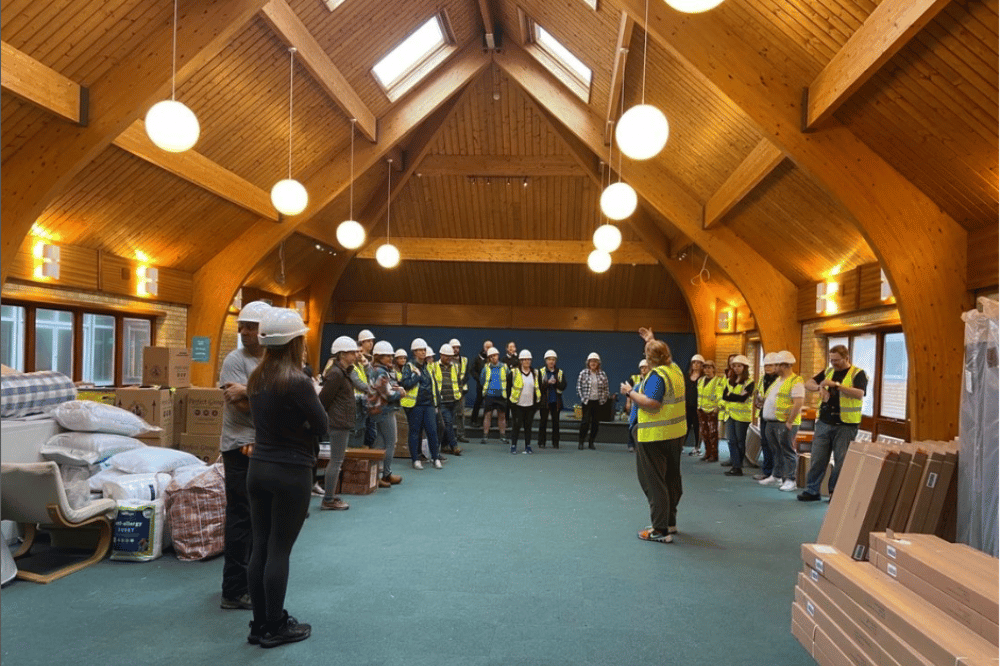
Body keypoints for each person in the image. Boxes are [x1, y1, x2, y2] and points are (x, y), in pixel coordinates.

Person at [245, 308, 328, 648]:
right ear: (295, 342)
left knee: (260, 546)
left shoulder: (257, 378)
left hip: (258, 468)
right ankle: (276, 626)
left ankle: (259, 623)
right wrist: (304, 426)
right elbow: (322, 426)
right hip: (290, 472)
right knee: (280, 549)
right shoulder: (297, 381)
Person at [218, 300, 271, 612]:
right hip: (240, 447)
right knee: (241, 517)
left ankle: (249, 581)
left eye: (251, 326)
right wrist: (268, 401)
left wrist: (250, 392)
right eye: (242, 326)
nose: (244, 332)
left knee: (259, 519)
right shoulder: (234, 361)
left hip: (262, 446)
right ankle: (233, 590)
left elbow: (283, 402)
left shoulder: (271, 362)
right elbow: (239, 407)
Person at [624, 333, 686, 543]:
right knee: (671, 478)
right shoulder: (674, 370)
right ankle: (670, 522)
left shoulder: (657, 376)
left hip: (654, 437)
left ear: (650, 359)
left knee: (654, 482)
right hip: (675, 435)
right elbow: (661, 354)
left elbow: (652, 403)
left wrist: (630, 392)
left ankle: (659, 530)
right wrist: (651, 340)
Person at [798, 345, 868, 501]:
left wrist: (836, 385)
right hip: (824, 422)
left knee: (841, 460)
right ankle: (812, 490)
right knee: (817, 458)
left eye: (837, 360)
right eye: (831, 360)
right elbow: (807, 383)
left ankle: (835, 493)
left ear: (846, 358)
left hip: (845, 425)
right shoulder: (828, 371)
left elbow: (859, 393)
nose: (833, 363)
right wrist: (819, 388)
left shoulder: (858, 373)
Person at [317, 336, 360, 512]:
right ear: (342, 354)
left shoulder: (342, 372)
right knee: (336, 461)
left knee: (337, 460)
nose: (355, 355)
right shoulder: (335, 374)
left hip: (341, 421)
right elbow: (323, 400)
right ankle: (328, 499)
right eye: (352, 352)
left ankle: (330, 495)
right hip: (338, 422)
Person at [758, 351, 804, 492]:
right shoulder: (778, 381)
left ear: (784, 365)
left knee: (787, 451)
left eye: (777, 365)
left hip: (784, 422)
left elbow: (798, 403)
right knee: (776, 450)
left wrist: (789, 421)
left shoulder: (796, 381)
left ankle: (790, 479)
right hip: (771, 421)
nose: (774, 367)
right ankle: (776, 475)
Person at [399, 338, 443, 470]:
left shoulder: (429, 367)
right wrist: (416, 376)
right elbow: (405, 384)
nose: (423, 352)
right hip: (415, 405)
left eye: (424, 350)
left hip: (429, 404)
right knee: (415, 432)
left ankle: (435, 458)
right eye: (420, 350)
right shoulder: (409, 367)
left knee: (432, 431)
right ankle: (416, 459)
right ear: (414, 352)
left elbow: (433, 386)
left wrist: (436, 404)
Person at [721, 354, 754, 476]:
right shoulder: (730, 380)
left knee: (740, 441)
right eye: (734, 366)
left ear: (744, 367)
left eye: (739, 366)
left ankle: (738, 465)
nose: (736, 368)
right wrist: (734, 397)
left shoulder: (750, 382)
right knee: (731, 441)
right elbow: (724, 396)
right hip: (730, 415)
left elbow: (743, 399)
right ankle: (736, 466)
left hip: (742, 417)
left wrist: (732, 397)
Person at [751, 353, 780, 481]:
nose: (767, 368)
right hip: (764, 414)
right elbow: (758, 393)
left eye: (771, 365)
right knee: (765, 443)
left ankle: (777, 473)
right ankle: (767, 471)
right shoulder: (763, 379)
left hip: (777, 416)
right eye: (766, 365)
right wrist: (757, 401)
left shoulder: (781, 380)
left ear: (777, 366)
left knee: (776, 444)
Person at [433, 343, 464, 456]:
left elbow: (459, 383)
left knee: (448, 423)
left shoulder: (455, 366)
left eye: (450, 356)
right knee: (448, 423)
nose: (449, 358)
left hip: (453, 400)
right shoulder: (434, 366)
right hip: (442, 401)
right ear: (441, 355)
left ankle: (445, 446)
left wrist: (459, 395)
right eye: (446, 356)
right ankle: (454, 446)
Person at [577, 352, 610, 450]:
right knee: (585, 422)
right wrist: (583, 398)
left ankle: (591, 442)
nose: (593, 363)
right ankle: (581, 442)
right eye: (591, 361)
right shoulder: (583, 373)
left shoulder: (602, 374)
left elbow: (606, 388)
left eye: (595, 361)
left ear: (598, 363)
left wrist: (603, 400)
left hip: (597, 402)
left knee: (595, 423)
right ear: (588, 363)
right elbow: (578, 387)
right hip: (587, 402)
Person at [509, 349, 540, 454]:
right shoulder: (514, 373)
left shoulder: (535, 373)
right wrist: (512, 404)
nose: (527, 362)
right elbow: (509, 388)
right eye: (524, 360)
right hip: (518, 405)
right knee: (516, 426)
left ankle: (528, 446)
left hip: (530, 406)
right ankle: (513, 446)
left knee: (528, 427)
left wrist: (536, 405)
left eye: (528, 360)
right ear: (521, 361)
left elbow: (537, 388)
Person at [480, 347, 510, 444]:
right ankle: (485, 436)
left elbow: (509, 379)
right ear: (489, 358)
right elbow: (482, 380)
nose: (494, 358)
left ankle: (503, 436)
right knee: (487, 415)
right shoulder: (486, 368)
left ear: (498, 355)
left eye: (495, 355)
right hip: (489, 395)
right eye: (491, 356)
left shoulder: (505, 367)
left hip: (501, 395)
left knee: (502, 416)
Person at [536, 350, 566, 449]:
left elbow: (563, 386)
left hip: (555, 401)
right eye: (549, 359)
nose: (551, 362)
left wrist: (556, 382)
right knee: (543, 422)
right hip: (545, 401)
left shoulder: (560, 372)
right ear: (546, 361)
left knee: (556, 423)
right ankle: (541, 442)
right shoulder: (541, 371)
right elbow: (538, 386)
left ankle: (555, 442)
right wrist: (547, 383)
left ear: (555, 361)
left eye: (553, 360)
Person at [696, 360, 724, 462]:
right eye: (705, 367)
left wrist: (717, 408)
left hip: (712, 410)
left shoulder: (718, 381)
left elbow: (720, 395)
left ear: (713, 368)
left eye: (709, 367)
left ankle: (714, 455)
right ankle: (707, 453)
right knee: (704, 433)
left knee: (713, 433)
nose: (707, 370)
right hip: (701, 409)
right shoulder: (700, 380)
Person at [624, 360, 650, 453]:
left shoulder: (652, 379)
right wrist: (628, 403)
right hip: (635, 405)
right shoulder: (635, 378)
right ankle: (631, 444)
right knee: (632, 424)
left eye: (645, 367)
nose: (643, 369)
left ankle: (641, 445)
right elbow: (629, 392)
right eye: (642, 367)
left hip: (646, 406)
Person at [449, 338, 471, 443]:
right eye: (454, 347)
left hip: (461, 391)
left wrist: (461, 383)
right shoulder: (446, 360)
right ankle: (448, 436)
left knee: (460, 414)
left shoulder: (464, 360)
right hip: (449, 391)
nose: (456, 349)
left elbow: (467, 374)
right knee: (448, 414)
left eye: (457, 347)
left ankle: (461, 435)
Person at [685, 354, 705, 456]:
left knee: (698, 427)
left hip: (698, 406)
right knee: (685, 426)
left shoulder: (704, 378)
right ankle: (681, 446)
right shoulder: (686, 376)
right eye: (694, 362)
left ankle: (697, 447)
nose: (696, 365)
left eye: (698, 363)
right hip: (686, 405)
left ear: (702, 365)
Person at [470, 340, 491, 426]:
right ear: (484, 348)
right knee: (478, 402)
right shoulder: (478, 358)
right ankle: (473, 421)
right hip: (481, 385)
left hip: (491, 385)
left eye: (490, 347)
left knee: (489, 404)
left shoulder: (493, 358)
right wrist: (479, 379)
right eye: (487, 347)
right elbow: (472, 370)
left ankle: (486, 421)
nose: (489, 349)